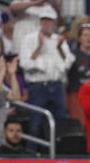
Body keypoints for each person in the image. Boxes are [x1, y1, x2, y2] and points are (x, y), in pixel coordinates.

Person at [19, 6, 74, 141]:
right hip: (38, 87)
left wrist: (60, 48)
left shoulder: (59, 40)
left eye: (49, 21)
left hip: (56, 86)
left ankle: (60, 156)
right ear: (40, 22)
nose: (46, 24)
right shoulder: (29, 39)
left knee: (61, 122)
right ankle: (32, 156)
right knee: (35, 123)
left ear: (55, 22)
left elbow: (68, 63)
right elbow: (25, 64)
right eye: (44, 20)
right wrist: (39, 47)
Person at [67, 23, 90, 125]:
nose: (88, 38)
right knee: (79, 124)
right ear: (79, 38)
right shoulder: (71, 56)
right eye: (85, 35)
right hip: (77, 95)